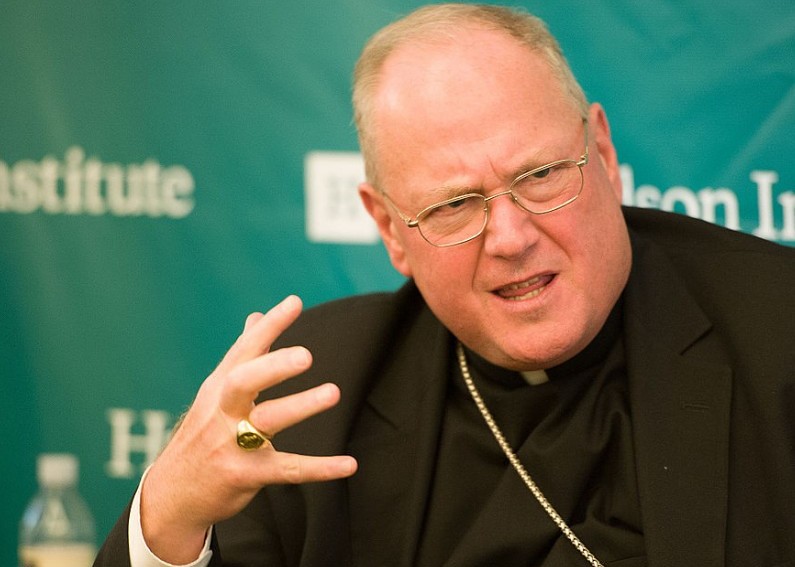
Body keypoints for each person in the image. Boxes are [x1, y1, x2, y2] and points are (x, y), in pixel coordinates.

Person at [95, 4, 795, 566]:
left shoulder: (778, 329)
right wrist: (169, 513)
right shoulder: (311, 398)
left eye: (540, 176)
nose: (511, 237)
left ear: (603, 154)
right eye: (454, 205)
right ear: (390, 229)